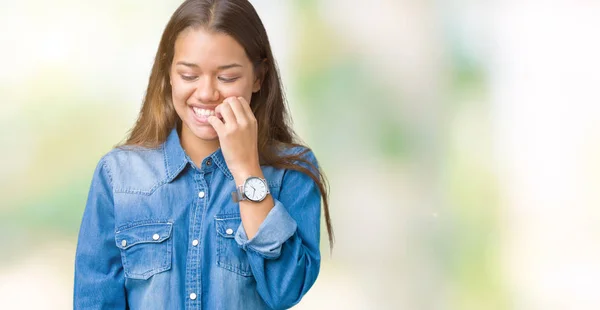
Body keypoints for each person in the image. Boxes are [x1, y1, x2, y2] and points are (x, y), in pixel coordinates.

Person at [73, 0, 333, 309]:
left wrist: (247, 171)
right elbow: (95, 302)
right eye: (189, 75)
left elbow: (286, 289)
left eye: (227, 77)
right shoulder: (119, 176)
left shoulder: (291, 173)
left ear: (259, 77)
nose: (207, 93)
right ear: (168, 73)